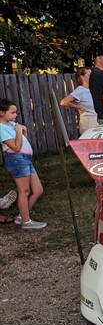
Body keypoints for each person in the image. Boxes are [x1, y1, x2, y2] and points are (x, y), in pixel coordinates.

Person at [0, 98, 46, 230]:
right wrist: (19, 132)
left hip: (25, 159)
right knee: (24, 191)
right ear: (2, 113)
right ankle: (26, 222)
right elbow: (15, 147)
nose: (15, 115)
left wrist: (20, 129)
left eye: (16, 113)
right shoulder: (1, 128)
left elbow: (21, 129)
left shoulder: (10, 124)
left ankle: (21, 216)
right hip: (16, 159)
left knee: (38, 190)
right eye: (12, 112)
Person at [59, 67, 98, 135]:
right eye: (90, 74)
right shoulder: (80, 90)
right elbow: (63, 102)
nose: (92, 76)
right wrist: (78, 107)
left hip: (95, 121)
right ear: (82, 76)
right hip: (88, 122)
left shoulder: (91, 89)